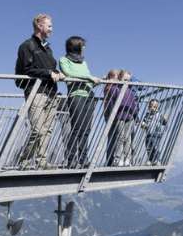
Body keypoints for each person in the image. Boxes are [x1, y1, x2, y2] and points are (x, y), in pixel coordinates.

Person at [15, 13, 64, 169]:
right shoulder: (27, 46)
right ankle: (24, 159)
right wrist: (49, 74)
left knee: (47, 130)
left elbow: (48, 68)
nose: (52, 29)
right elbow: (27, 69)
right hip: (36, 91)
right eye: (49, 26)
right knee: (37, 130)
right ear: (39, 26)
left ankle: (41, 161)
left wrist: (56, 72)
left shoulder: (47, 48)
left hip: (51, 91)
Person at [59, 36, 101, 168]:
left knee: (86, 129)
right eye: (83, 46)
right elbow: (68, 74)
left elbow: (88, 82)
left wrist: (97, 81)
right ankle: (71, 160)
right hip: (76, 96)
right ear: (76, 46)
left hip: (89, 96)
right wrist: (89, 78)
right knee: (77, 128)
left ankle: (83, 159)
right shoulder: (63, 60)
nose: (84, 49)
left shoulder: (84, 62)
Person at [114, 69, 139, 166]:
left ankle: (127, 158)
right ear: (120, 79)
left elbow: (133, 104)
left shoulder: (130, 91)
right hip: (120, 116)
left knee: (128, 138)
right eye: (125, 80)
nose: (127, 82)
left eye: (128, 80)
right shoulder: (117, 89)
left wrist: (135, 115)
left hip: (130, 116)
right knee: (120, 137)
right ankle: (118, 158)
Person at [141, 99, 168, 165]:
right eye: (151, 106)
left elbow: (164, 123)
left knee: (155, 147)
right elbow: (144, 123)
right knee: (149, 148)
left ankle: (157, 160)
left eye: (155, 107)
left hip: (156, 134)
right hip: (148, 134)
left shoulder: (159, 115)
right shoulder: (147, 115)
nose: (152, 108)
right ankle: (150, 159)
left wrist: (165, 119)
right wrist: (143, 125)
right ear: (148, 107)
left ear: (157, 107)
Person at [103, 69, 120, 166]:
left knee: (112, 137)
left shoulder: (108, 87)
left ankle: (109, 160)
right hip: (113, 115)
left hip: (109, 114)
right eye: (117, 76)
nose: (118, 78)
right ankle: (112, 160)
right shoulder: (113, 88)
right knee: (116, 137)